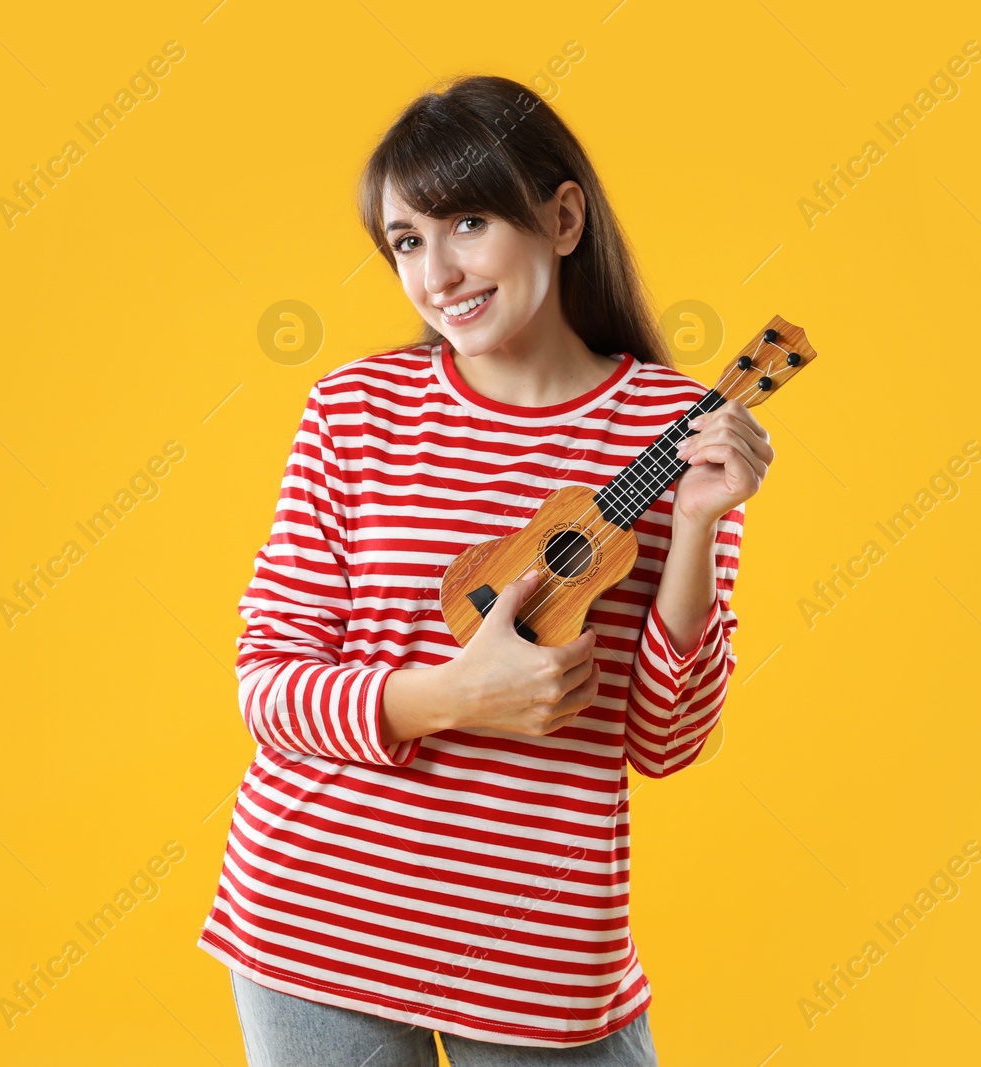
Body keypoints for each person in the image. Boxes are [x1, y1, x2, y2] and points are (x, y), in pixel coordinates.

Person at [197, 73, 773, 1066]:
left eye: (466, 222)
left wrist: (694, 532)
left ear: (560, 216)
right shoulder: (353, 410)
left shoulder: (674, 430)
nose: (436, 274)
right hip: (313, 913)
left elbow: (666, 741)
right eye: (407, 242)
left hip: (536, 948)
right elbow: (265, 681)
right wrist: (452, 696)